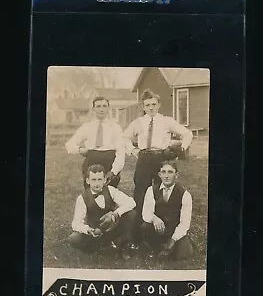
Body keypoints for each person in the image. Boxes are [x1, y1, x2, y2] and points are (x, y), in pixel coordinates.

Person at [123, 89, 193, 247]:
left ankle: (162, 233)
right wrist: (133, 150)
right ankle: (136, 237)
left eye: (154, 104)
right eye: (147, 105)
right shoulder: (138, 122)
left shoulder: (167, 121)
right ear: (143, 106)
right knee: (140, 196)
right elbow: (124, 138)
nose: (151, 108)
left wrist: (181, 149)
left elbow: (187, 134)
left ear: (159, 104)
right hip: (144, 159)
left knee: (161, 194)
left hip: (161, 158)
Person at [68, 164, 136, 260]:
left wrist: (115, 214)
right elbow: (75, 223)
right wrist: (88, 230)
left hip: (112, 229)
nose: (97, 183)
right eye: (93, 180)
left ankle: (123, 247)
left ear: (105, 180)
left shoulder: (111, 191)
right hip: (95, 232)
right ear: (87, 181)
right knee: (73, 238)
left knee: (131, 214)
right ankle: (96, 248)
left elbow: (131, 202)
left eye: (99, 179)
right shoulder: (82, 198)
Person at [65, 96, 125, 188]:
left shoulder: (115, 127)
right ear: (93, 109)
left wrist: (114, 171)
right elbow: (69, 145)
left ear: (108, 108)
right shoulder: (87, 127)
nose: (102, 109)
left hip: (109, 162)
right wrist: (80, 150)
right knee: (90, 196)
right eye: (98, 106)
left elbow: (121, 153)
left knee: (108, 195)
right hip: (91, 162)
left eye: (104, 106)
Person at [140, 160, 194, 260]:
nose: (166, 176)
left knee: (182, 255)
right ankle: (156, 246)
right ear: (159, 174)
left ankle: (170, 246)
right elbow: (146, 212)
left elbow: (185, 223)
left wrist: (173, 240)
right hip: (158, 229)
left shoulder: (185, 195)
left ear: (176, 175)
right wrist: (154, 218)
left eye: (170, 172)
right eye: (163, 172)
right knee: (145, 226)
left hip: (174, 230)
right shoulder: (151, 190)